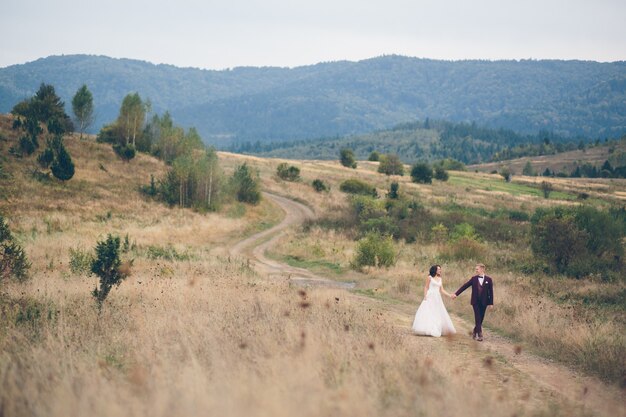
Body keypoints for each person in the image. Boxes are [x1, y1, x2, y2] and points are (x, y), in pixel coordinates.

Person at [451, 263, 494, 342]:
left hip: (484, 301)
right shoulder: (473, 279)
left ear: (482, 269)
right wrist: (456, 294)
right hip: (475, 301)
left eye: (477, 269)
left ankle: (475, 331)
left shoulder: (489, 279)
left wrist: (491, 303)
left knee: (481, 318)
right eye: (476, 269)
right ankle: (480, 334)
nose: (476, 270)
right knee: (477, 316)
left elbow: (491, 292)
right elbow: (465, 286)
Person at [412, 265, 456, 337]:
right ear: (435, 270)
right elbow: (426, 287)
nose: (440, 270)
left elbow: (442, 290)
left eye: (440, 269)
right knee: (429, 311)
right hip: (430, 296)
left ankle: (437, 328)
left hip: (437, 297)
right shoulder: (429, 278)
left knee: (437, 312)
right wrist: (425, 296)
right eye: (438, 269)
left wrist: (450, 295)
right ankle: (428, 328)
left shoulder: (440, 278)